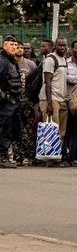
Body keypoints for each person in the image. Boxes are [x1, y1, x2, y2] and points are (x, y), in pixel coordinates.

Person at [39, 37, 69, 166]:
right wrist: (49, 104)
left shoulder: (63, 59)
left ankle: (56, 156)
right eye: (60, 45)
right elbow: (48, 82)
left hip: (62, 99)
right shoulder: (51, 59)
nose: (62, 47)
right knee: (51, 129)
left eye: (64, 45)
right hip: (50, 99)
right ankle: (49, 158)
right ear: (55, 46)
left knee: (61, 131)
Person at [13, 40, 36, 165]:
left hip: (28, 101)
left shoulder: (30, 64)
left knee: (30, 128)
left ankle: (30, 155)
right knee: (16, 128)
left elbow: (36, 81)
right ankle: (18, 155)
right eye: (18, 47)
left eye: (22, 47)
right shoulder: (10, 63)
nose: (20, 50)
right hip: (14, 100)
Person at [0, 35, 21, 168]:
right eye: (11, 45)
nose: (14, 47)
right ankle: (2, 157)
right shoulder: (2, 60)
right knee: (4, 129)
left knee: (13, 128)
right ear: (4, 46)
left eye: (15, 45)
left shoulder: (11, 60)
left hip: (13, 100)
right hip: (5, 101)